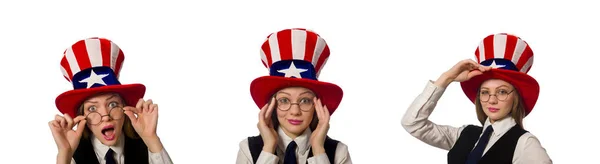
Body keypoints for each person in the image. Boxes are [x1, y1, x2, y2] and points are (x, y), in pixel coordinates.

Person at [401, 33, 552, 164]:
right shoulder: (464, 134)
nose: (492, 100)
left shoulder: (525, 143)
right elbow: (413, 124)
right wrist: (447, 78)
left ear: (515, 97)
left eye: (502, 92)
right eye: (485, 92)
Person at [48, 37, 173, 164]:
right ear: (82, 118)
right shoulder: (73, 154)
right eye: (92, 108)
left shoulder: (148, 147)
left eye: (113, 104)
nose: (106, 117)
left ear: (125, 109)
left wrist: (151, 138)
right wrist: (64, 153)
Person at [236, 28, 352, 164]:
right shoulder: (248, 149)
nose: (295, 111)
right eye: (284, 100)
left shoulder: (338, 152)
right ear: (272, 106)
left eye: (305, 100)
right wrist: (268, 148)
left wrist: (319, 149)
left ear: (317, 106)